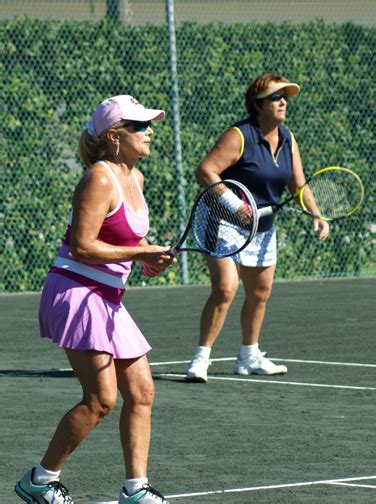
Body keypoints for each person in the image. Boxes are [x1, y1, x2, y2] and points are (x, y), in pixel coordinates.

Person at [15, 95, 176, 503]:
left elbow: (126, 238)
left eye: (148, 124)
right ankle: (39, 480)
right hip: (75, 292)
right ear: (113, 136)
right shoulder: (98, 178)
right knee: (102, 399)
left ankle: (136, 490)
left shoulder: (135, 179)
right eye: (139, 126)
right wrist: (140, 252)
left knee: (141, 392)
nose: (149, 130)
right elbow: (84, 246)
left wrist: (147, 258)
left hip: (107, 296)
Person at [186, 72, 330, 383]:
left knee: (260, 292)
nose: (282, 102)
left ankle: (249, 356)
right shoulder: (238, 136)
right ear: (258, 103)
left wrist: (317, 214)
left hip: (261, 226)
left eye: (285, 97)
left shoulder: (288, 138)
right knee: (226, 288)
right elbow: (206, 171)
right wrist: (235, 205)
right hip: (222, 220)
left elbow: (298, 183)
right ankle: (200, 359)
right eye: (275, 97)